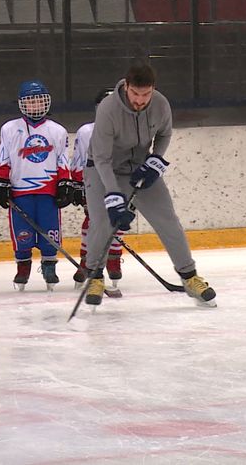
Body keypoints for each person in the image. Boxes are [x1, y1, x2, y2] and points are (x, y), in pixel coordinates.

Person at [82, 59, 216, 307]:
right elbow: (100, 158)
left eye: (146, 94)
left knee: (168, 219)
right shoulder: (108, 109)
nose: (140, 100)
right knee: (101, 221)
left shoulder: (161, 104)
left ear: (153, 89)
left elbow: (165, 133)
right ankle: (94, 276)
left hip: (140, 169)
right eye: (135, 93)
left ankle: (189, 276)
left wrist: (155, 159)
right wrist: (113, 196)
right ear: (126, 87)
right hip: (103, 170)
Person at [0, 80, 73, 291]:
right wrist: (1, 183)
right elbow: (3, 159)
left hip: (48, 190)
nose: (36, 106)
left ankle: (49, 265)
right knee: (22, 232)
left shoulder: (57, 130)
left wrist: (65, 183)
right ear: (22, 104)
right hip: (20, 191)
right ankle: (23, 265)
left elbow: (62, 160)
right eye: (31, 102)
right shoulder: (9, 129)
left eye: (40, 101)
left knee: (50, 231)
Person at [70, 87, 125, 290]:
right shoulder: (87, 131)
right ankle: (87, 261)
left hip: (120, 183)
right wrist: (78, 185)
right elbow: (78, 160)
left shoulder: (131, 130)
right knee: (93, 223)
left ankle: (113, 259)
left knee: (118, 222)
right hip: (94, 184)